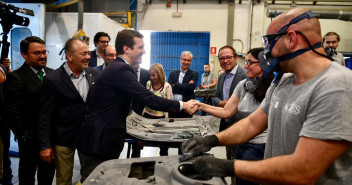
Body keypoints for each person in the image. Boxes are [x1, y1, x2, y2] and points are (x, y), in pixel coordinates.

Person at [182, 8, 352, 184]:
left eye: (269, 41)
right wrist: (212, 140)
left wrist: (228, 167)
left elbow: (304, 169)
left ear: (291, 39)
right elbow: (253, 123)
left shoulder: (336, 85)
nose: (267, 51)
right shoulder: (283, 81)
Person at [74, 29, 197, 182]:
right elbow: (149, 98)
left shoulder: (118, 68)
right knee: (95, 180)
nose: (144, 51)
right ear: (126, 49)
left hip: (103, 138)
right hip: (98, 140)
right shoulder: (121, 69)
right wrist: (183, 105)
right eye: (140, 47)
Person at [195, 48, 274, 185]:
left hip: (259, 146)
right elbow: (227, 111)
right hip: (242, 143)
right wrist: (200, 106)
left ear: (263, 64)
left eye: (250, 62)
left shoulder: (273, 88)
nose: (245, 66)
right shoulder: (243, 85)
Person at [38, 38, 99, 185]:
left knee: (91, 176)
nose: (88, 57)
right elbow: (44, 115)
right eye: (83, 54)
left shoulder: (94, 74)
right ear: (69, 56)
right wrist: (45, 145)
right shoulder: (53, 80)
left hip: (88, 137)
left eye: (88, 53)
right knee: (64, 179)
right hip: (64, 138)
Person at [4, 36, 55, 185]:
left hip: (50, 137)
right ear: (24, 55)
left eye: (44, 52)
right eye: (37, 53)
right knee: (27, 176)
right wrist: (23, 136)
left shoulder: (53, 74)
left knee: (47, 176)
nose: (42, 56)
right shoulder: (16, 77)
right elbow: (13, 111)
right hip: (30, 140)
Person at [213, 46, 246, 161]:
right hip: (226, 124)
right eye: (222, 58)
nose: (225, 61)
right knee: (229, 158)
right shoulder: (222, 76)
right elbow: (215, 97)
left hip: (241, 126)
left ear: (236, 58)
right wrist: (220, 103)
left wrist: (232, 105)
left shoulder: (245, 75)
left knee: (238, 160)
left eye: (228, 57)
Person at [143, 63, 173, 156]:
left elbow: (170, 103)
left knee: (163, 144)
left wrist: (168, 120)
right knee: (142, 142)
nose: (152, 77)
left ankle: (164, 160)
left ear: (159, 74)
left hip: (161, 118)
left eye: (154, 75)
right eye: (150, 75)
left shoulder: (167, 86)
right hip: (148, 116)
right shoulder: (148, 84)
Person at [168, 51, 199, 118]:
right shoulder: (172, 74)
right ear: (180, 59)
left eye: (188, 60)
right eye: (184, 59)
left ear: (191, 61)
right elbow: (170, 88)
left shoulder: (194, 74)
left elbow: (191, 88)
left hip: (187, 108)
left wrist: (176, 84)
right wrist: (186, 85)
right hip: (173, 107)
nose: (186, 62)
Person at [0, 63, 12, 185]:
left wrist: (7, 67)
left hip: (3, 119)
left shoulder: (2, 67)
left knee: (4, 152)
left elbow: (7, 79)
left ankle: (6, 177)